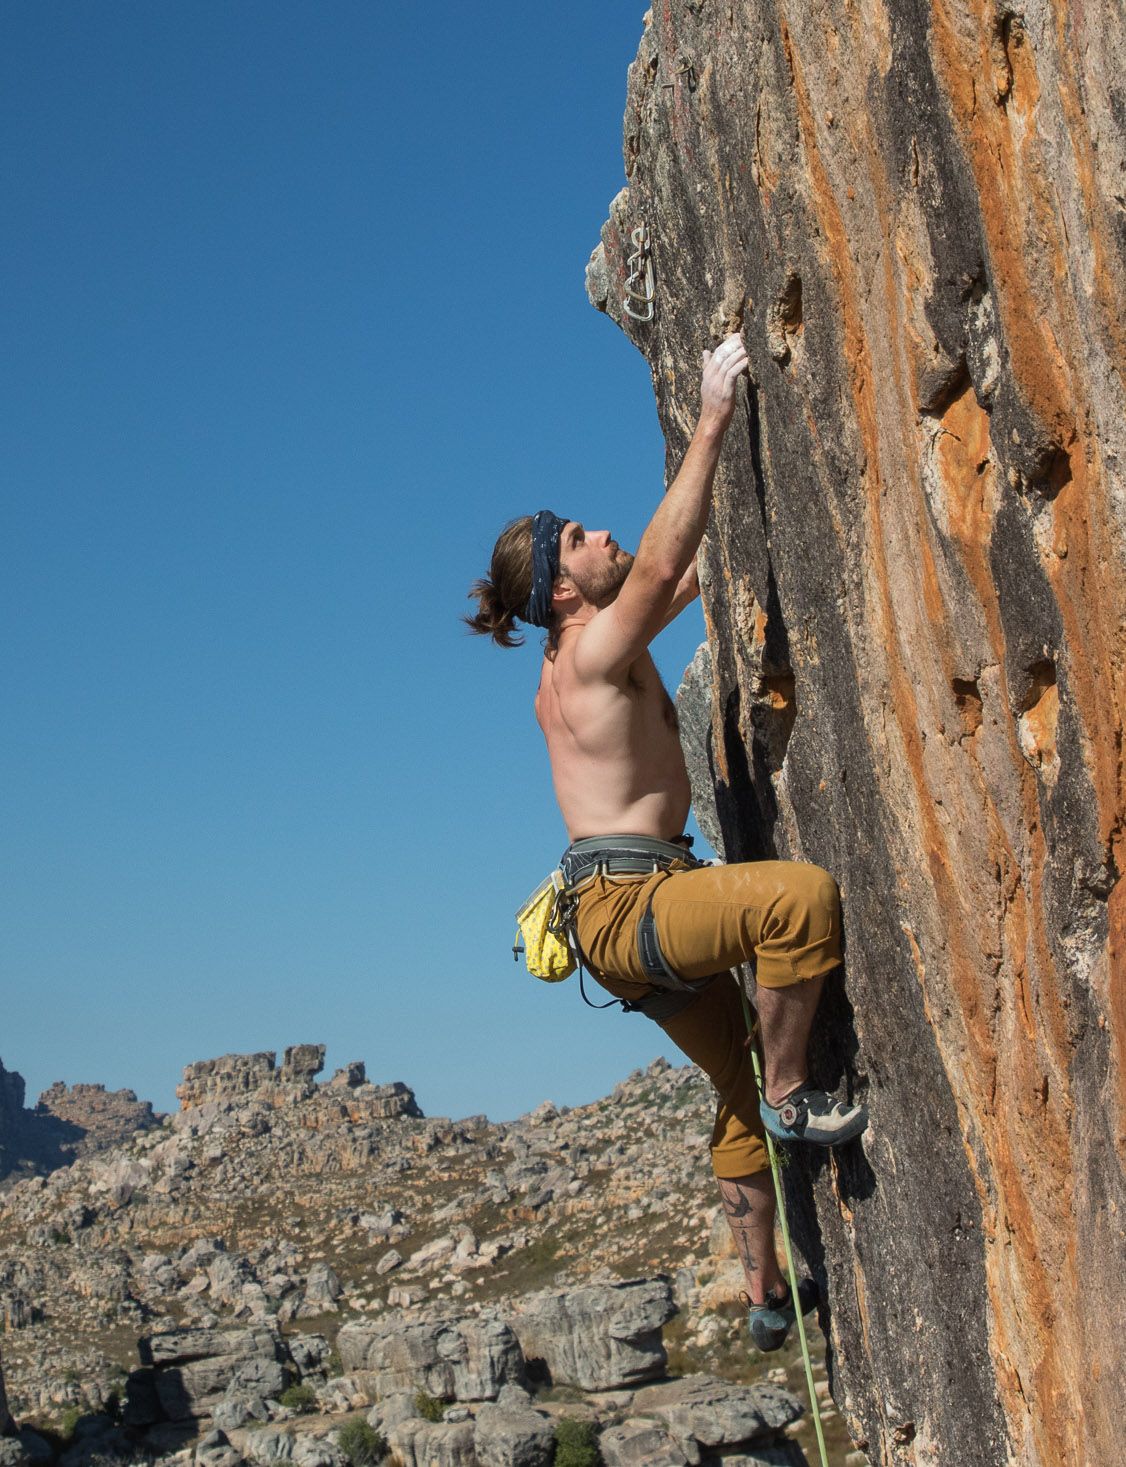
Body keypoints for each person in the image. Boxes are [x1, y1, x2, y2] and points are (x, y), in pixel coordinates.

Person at [463, 331, 865, 1352]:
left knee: (727, 1084)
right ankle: (794, 1093)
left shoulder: (585, 650)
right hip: (632, 907)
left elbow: (679, 575)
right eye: (578, 540)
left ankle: (766, 1295)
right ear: (560, 593)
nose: (601, 534)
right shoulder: (588, 649)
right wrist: (714, 413)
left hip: (621, 916)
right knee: (797, 901)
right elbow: (670, 560)